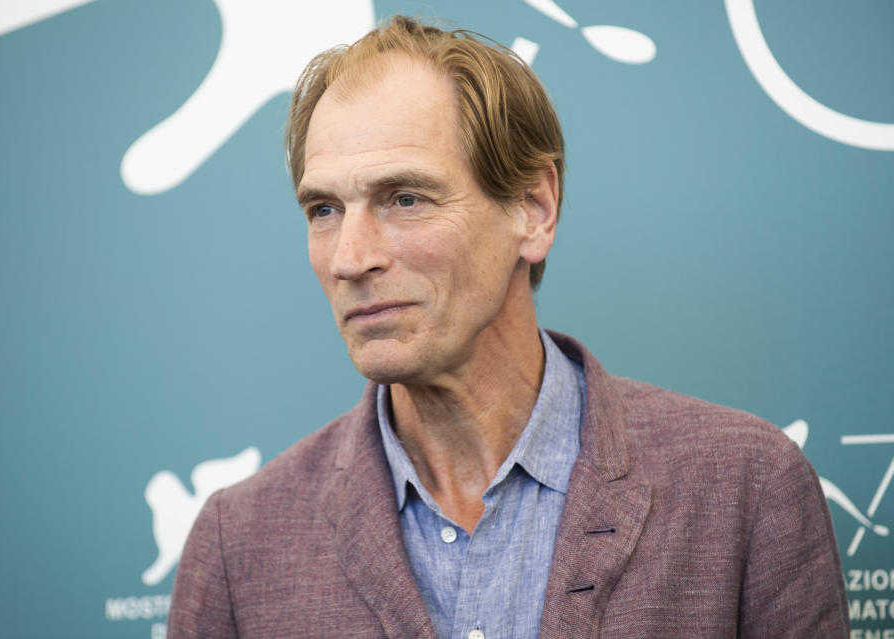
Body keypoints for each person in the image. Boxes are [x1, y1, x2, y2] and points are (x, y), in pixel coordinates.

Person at [167, 15, 849, 638]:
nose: (350, 258)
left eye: (404, 198)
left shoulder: (744, 489)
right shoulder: (240, 545)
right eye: (323, 209)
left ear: (533, 209)